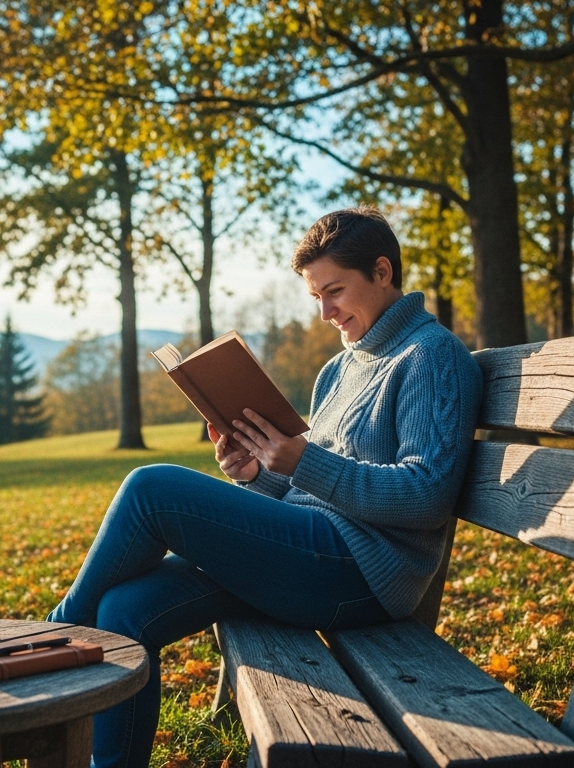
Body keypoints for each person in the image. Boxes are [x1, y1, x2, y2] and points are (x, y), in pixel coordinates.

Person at [47, 207, 482, 768]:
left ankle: (57, 637)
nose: (325, 312)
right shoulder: (339, 370)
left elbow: (427, 495)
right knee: (124, 610)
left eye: (335, 292)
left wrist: (303, 463)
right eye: (315, 298)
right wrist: (257, 473)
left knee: (152, 488)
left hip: (361, 571)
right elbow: (304, 486)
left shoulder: (431, 357)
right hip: (307, 555)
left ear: (381, 272)